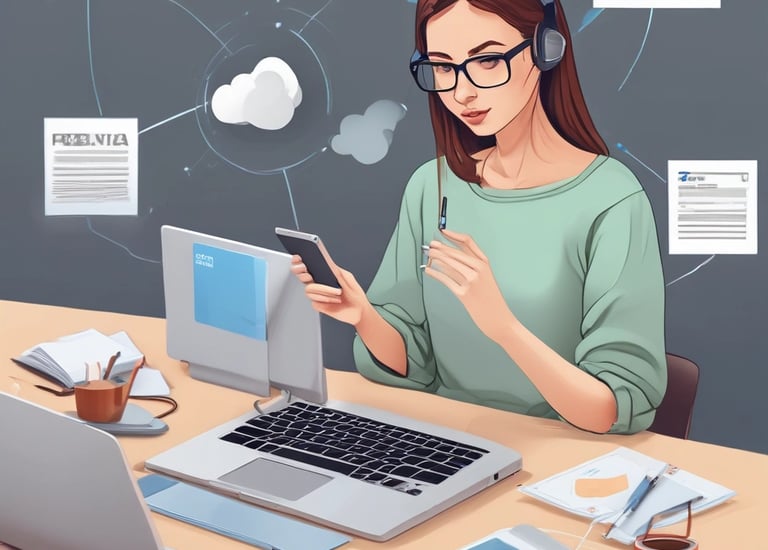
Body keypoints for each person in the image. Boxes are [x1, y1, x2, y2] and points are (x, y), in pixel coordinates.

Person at [291, 0, 667, 435]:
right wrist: (363, 316)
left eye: (487, 60)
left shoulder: (610, 197)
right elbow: (414, 364)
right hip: (444, 440)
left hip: (559, 451)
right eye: (442, 67)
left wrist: (503, 327)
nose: (462, 93)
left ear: (545, 50)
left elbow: (611, 407)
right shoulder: (433, 185)